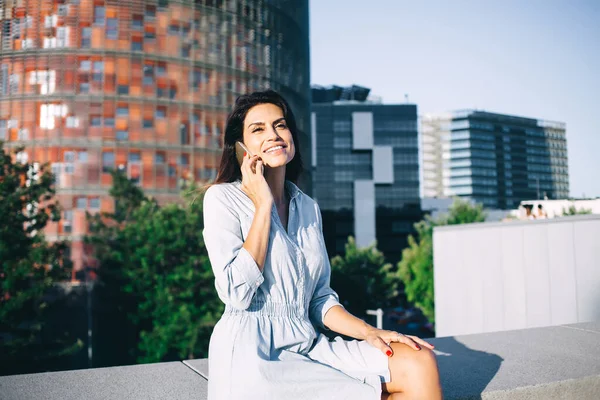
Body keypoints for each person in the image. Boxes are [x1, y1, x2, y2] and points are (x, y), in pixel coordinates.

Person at [201, 90, 442, 399]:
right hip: (255, 354)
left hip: (310, 343)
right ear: (241, 147)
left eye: (280, 125)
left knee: (419, 360)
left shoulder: (307, 207)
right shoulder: (223, 199)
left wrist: (371, 332)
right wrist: (262, 205)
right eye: (258, 129)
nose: (274, 135)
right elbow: (235, 292)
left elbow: (319, 300)